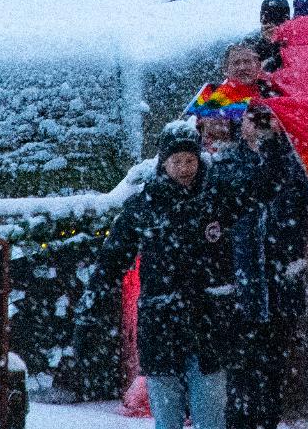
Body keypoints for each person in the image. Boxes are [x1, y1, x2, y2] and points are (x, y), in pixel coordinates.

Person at [95, 123, 234, 429]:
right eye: (177, 161)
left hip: (207, 321)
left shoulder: (217, 199)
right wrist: (93, 306)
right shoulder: (144, 206)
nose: (184, 169)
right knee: (166, 417)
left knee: (210, 414)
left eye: (190, 160)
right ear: (163, 162)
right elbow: (113, 258)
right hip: (160, 322)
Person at [211, 103, 308, 429]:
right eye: (251, 118)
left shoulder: (290, 161)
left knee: (273, 371)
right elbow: (229, 204)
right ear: (239, 123)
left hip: (280, 281)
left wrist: (278, 149)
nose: (257, 125)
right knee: (240, 371)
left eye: (266, 118)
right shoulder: (227, 162)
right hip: (241, 283)